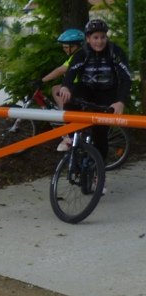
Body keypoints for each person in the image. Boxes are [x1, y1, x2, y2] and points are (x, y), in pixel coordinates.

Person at [58, 19, 132, 178]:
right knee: (70, 102)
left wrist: (120, 101)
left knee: (100, 135)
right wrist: (65, 86)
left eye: (102, 37)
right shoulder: (82, 53)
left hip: (107, 93)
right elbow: (71, 73)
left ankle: (99, 173)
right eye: (95, 38)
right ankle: (71, 138)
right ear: (88, 39)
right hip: (86, 90)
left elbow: (126, 78)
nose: (99, 41)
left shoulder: (115, 52)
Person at [34, 29, 85, 151]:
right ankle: (64, 116)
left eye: (66, 46)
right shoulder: (76, 55)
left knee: (63, 96)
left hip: (80, 88)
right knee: (55, 88)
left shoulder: (78, 56)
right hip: (78, 86)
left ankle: (69, 134)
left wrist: (42, 81)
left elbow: (61, 70)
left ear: (74, 46)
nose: (64, 49)